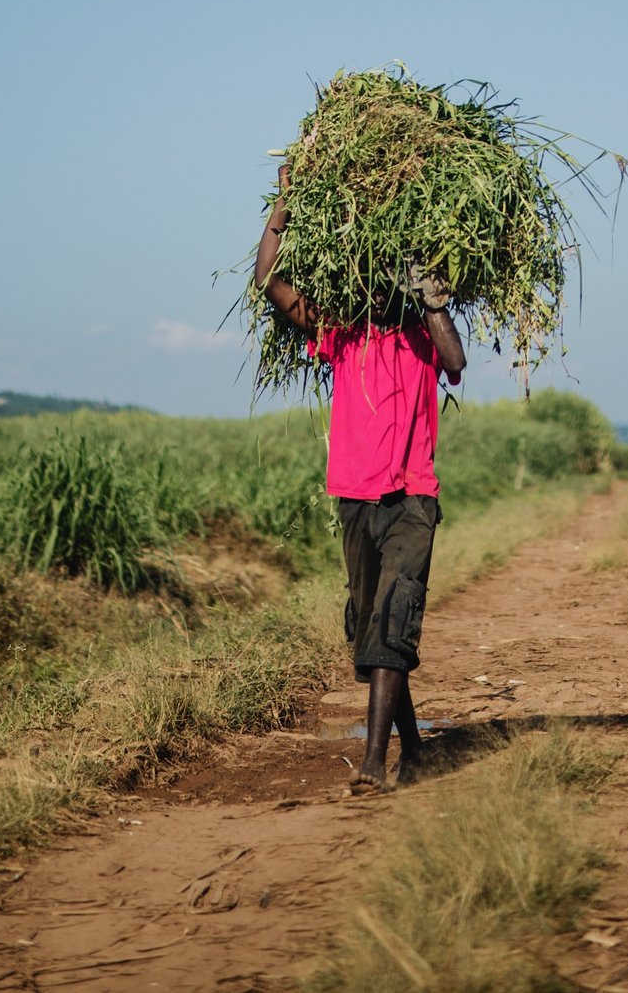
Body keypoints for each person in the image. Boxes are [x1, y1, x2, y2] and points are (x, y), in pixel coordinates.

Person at [253, 164, 467, 794]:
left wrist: (434, 303)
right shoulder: (342, 334)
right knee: (370, 625)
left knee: (395, 616)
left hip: (412, 497)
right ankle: (415, 748)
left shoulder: (422, 334)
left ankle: (375, 764)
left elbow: (456, 364)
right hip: (353, 496)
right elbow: (270, 280)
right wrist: (286, 202)